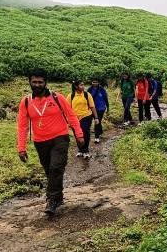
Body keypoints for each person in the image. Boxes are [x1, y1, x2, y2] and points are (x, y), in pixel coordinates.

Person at [17, 69, 84, 216]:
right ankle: (58, 197)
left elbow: (71, 115)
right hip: (40, 142)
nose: (37, 85)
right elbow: (22, 126)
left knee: (56, 168)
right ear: (29, 82)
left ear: (45, 83)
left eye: (40, 82)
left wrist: (79, 134)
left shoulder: (57, 97)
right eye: (34, 82)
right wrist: (21, 147)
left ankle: (51, 200)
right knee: (49, 171)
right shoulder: (26, 102)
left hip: (60, 138)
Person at [67, 80, 99, 159]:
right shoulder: (70, 96)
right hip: (74, 119)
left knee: (85, 132)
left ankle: (86, 151)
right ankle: (80, 150)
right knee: (77, 134)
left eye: (83, 85)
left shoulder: (87, 95)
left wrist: (96, 118)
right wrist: (67, 121)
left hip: (86, 116)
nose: (83, 86)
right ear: (76, 86)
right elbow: (67, 109)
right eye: (81, 85)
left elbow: (92, 107)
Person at [87, 78, 109, 143]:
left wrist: (108, 107)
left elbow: (106, 98)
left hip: (101, 108)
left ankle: (96, 137)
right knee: (98, 121)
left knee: (97, 121)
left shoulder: (102, 89)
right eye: (93, 82)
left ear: (98, 82)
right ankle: (100, 131)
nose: (94, 83)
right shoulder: (89, 89)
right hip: (92, 108)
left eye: (96, 82)